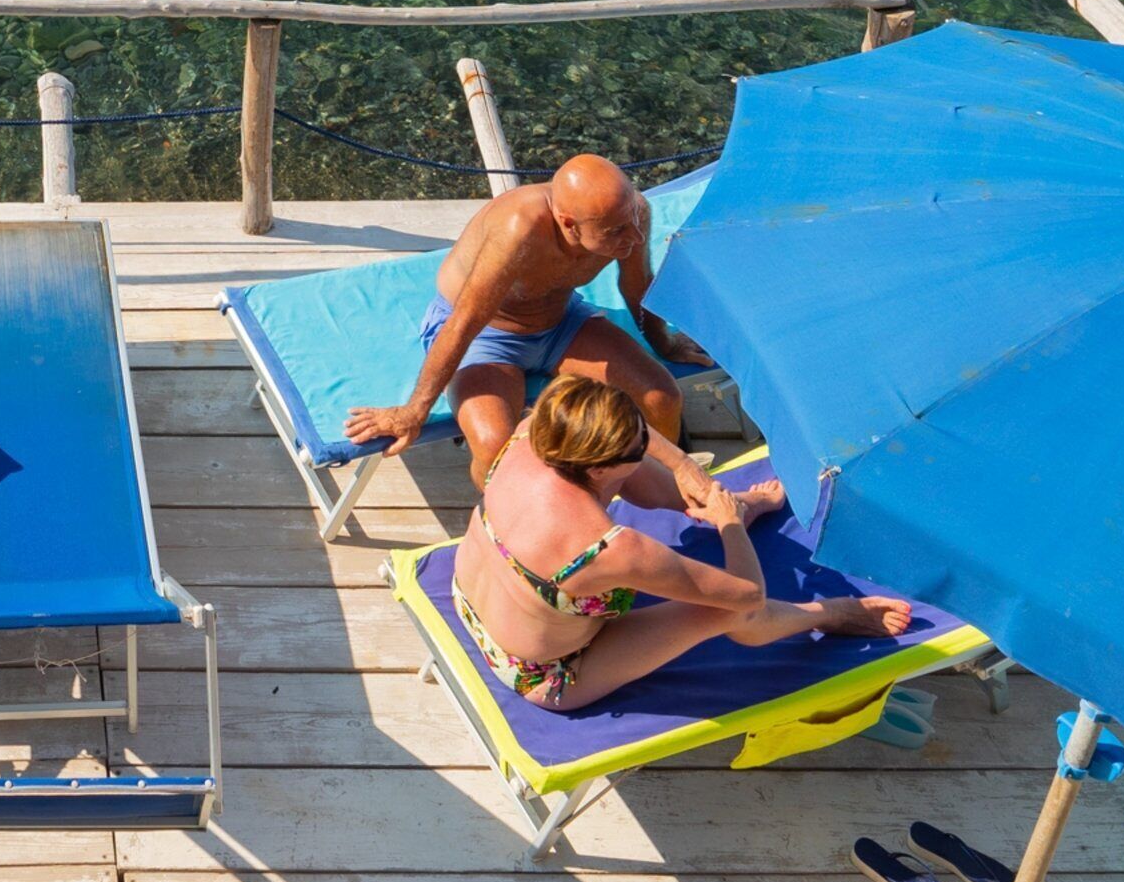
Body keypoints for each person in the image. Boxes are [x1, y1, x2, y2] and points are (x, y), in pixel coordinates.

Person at [452, 376, 910, 710]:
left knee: (633, 479)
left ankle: (735, 504)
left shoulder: (537, 430)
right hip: (544, 674)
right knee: (725, 610)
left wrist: (681, 464)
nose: (644, 447)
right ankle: (833, 614)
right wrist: (729, 524)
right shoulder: (611, 547)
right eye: (635, 448)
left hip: (470, 600)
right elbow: (748, 596)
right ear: (594, 468)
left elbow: (607, 417)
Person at [346, 153, 701, 484]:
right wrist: (414, 411)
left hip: (562, 322)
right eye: (615, 233)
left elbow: (636, 286)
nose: (635, 237)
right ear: (568, 224)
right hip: (487, 336)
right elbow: (465, 320)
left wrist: (663, 343)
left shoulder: (630, 213)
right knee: (494, 449)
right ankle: (515, 529)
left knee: (663, 398)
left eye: (633, 222)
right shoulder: (518, 229)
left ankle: (655, 492)